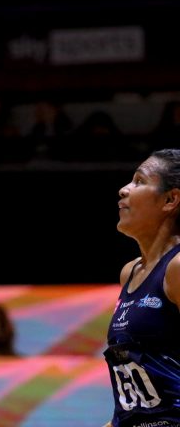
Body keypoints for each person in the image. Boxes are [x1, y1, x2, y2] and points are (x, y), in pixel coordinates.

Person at [103, 148, 180, 426]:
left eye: (139, 181)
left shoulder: (177, 268)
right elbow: (135, 405)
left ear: (170, 200)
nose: (124, 190)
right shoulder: (130, 272)